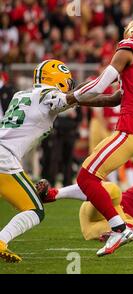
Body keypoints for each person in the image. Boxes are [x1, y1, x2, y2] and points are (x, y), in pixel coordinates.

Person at [44, 18, 133, 258]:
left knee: (86, 177)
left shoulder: (129, 47)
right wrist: (78, 99)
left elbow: (100, 85)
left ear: (130, 34)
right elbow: (113, 98)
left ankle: (119, 228)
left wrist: (67, 98)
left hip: (132, 129)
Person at [0, 59, 73, 263]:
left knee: (28, 200)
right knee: (34, 210)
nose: (68, 84)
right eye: (65, 80)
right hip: (4, 156)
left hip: (6, 154)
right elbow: (75, 98)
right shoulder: (48, 95)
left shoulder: (20, 94)